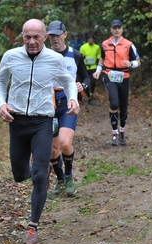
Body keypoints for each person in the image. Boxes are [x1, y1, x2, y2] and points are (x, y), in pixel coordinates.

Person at [0, 18, 80, 244]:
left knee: (40, 176)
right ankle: (40, 169)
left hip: (43, 121)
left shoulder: (54, 59)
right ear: (22, 36)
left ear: (44, 37)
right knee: (20, 174)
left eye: (36, 37)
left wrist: (72, 98)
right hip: (17, 120)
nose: (32, 41)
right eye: (27, 37)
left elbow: (68, 81)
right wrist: (0, 104)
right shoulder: (10, 56)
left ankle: (32, 227)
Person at [46, 20, 91, 197]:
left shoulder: (76, 55)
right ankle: (60, 180)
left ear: (65, 34)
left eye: (58, 35)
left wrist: (82, 86)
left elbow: (86, 77)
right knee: (53, 149)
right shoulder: (43, 55)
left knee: (65, 143)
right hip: (48, 104)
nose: (55, 38)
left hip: (67, 102)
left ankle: (69, 175)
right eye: (51, 35)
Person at [92, 19, 141, 146]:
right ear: (111, 30)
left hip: (124, 76)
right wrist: (98, 70)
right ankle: (114, 133)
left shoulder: (129, 44)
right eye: (114, 28)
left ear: (122, 29)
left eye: (119, 28)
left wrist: (131, 64)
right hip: (109, 75)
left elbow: (138, 61)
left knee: (123, 108)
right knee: (114, 103)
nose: (117, 30)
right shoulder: (105, 44)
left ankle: (122, 131)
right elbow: (102, 59)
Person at [80, 34, 101, 99]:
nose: (90, 40)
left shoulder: (97, 47)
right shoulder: (83, 47)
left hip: (93, 67)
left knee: (93, 82)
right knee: (86, 82)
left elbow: (99, 56)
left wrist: (98, 64)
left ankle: (91, 93)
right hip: (85, 67)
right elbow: (80, 56)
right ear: (87, 40)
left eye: (92, 39)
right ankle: (88, 95)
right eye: (89, 39)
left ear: (94, 40)